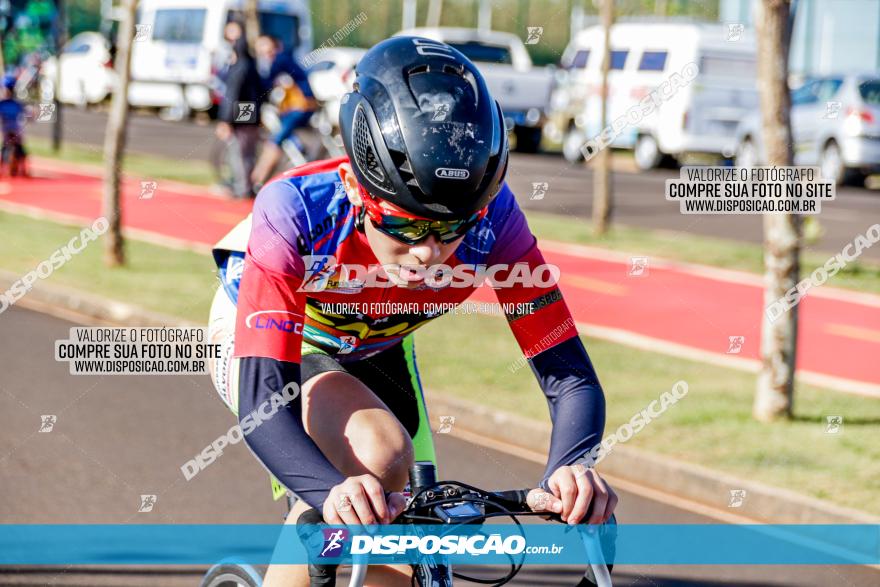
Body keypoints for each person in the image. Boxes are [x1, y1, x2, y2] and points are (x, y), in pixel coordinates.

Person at [208, 36, 616, 587]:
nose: (429, 254)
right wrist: (329, 492)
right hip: (280, 340)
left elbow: (569, 378)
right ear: (355, 186)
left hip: (379, 342)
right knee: (375, 459)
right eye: (404, 226)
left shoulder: (495, 217)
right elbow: (263, 404)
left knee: (424, 560)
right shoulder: (296, 214)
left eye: (452, 229)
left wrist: (570, 470)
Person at [250, 34, 318, 188]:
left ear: (275, 46)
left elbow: (265, 85)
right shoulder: (285, 58)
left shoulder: (279, 60)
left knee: (274, 141)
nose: (261, 50)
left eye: (264, 45)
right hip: (302, 107)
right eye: (258, 46)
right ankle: (298, 150)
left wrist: (251, 102)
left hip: (300, 108)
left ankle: (256, 182)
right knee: (280, 139)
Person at [215, 21, 264, 198]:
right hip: (251, 110)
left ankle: (242, 188)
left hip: (242, 111)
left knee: (239, 152)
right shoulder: (251, 65)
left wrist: (226, 120)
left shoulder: (239, 66)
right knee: (248, 152)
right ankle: (247, 187)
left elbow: (233, 94)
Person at [0, 75, 28, 177]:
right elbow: (27, 113)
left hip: (9, 128)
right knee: (19, 146)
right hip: (14, 128)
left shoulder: (4, 103)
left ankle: (5, 164)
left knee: (6, 146)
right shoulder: (16, 104)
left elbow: (27, 113)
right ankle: (24, 167)